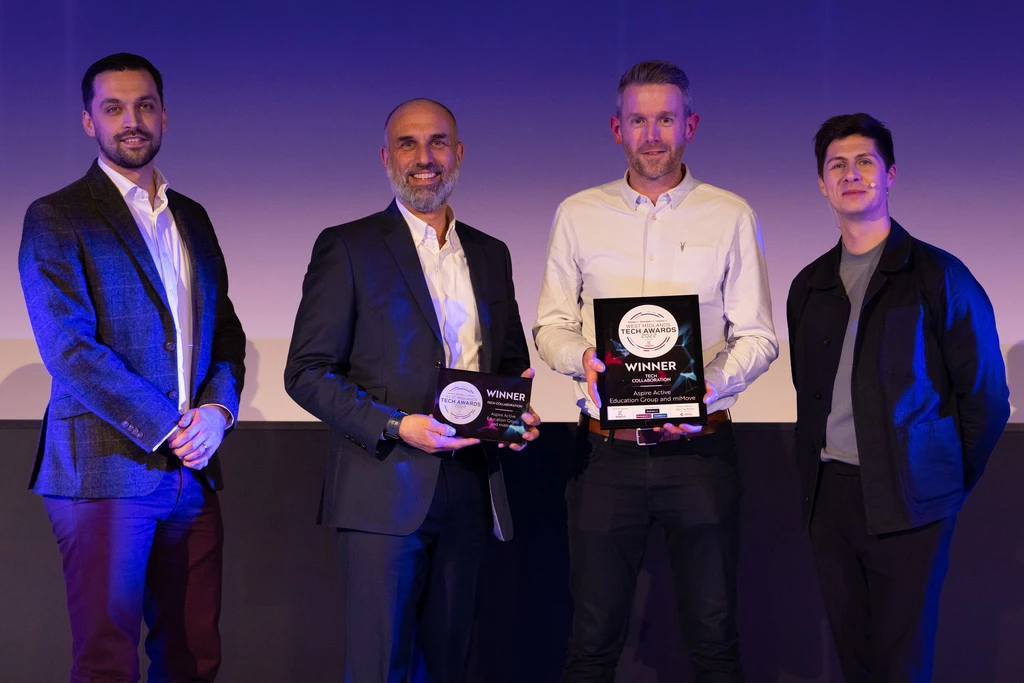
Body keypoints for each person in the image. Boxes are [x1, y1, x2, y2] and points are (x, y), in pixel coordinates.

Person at [534, 60, 777, 682]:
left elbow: (758, 338)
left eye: (665, 118)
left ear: (689, 125)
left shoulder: (730, 215)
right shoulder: (576, 213)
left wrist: (698, 390)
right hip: (604, 456)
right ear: (616, 128)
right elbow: (552, 326)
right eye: (638, 119)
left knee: (715, 637)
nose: (652, 134)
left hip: (701, 452)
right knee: (590, 641)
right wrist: (580, 360)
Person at [284, 98, 540, 683]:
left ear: (459, 154)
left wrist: (516, 417)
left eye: (438, 143)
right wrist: (398, 425)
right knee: (379, 668)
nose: (425, 158)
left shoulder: (490, 252)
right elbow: (305, 371)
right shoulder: (347, 246)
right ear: (385, 158)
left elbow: (509, 363)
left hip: (472, 489)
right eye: (408, 144)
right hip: (384, 489)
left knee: (449, 664)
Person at [18, 53, 246, 682]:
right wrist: (169, 424)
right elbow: (69, 349)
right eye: (113, 108)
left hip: (193, 473)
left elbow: (223, 330)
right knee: (107, 659)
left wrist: (219, 411)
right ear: (89, 122)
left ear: (165, 115)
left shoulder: (192, 217)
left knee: (194, 654)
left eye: (144, 105)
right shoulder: (57, 216)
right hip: (103, 467)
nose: (132, 120)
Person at [786, 113, 1009, 682]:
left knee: (902, 665)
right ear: (821, 183)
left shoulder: (939, 275)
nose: (852, 174)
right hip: (829, 496)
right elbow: (807, 393)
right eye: (837, 164)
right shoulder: (809, 284)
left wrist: (942, 484)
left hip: (912, 500)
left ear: (890, 175)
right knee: (854, 658)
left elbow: (986, 400)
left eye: (865, 162)